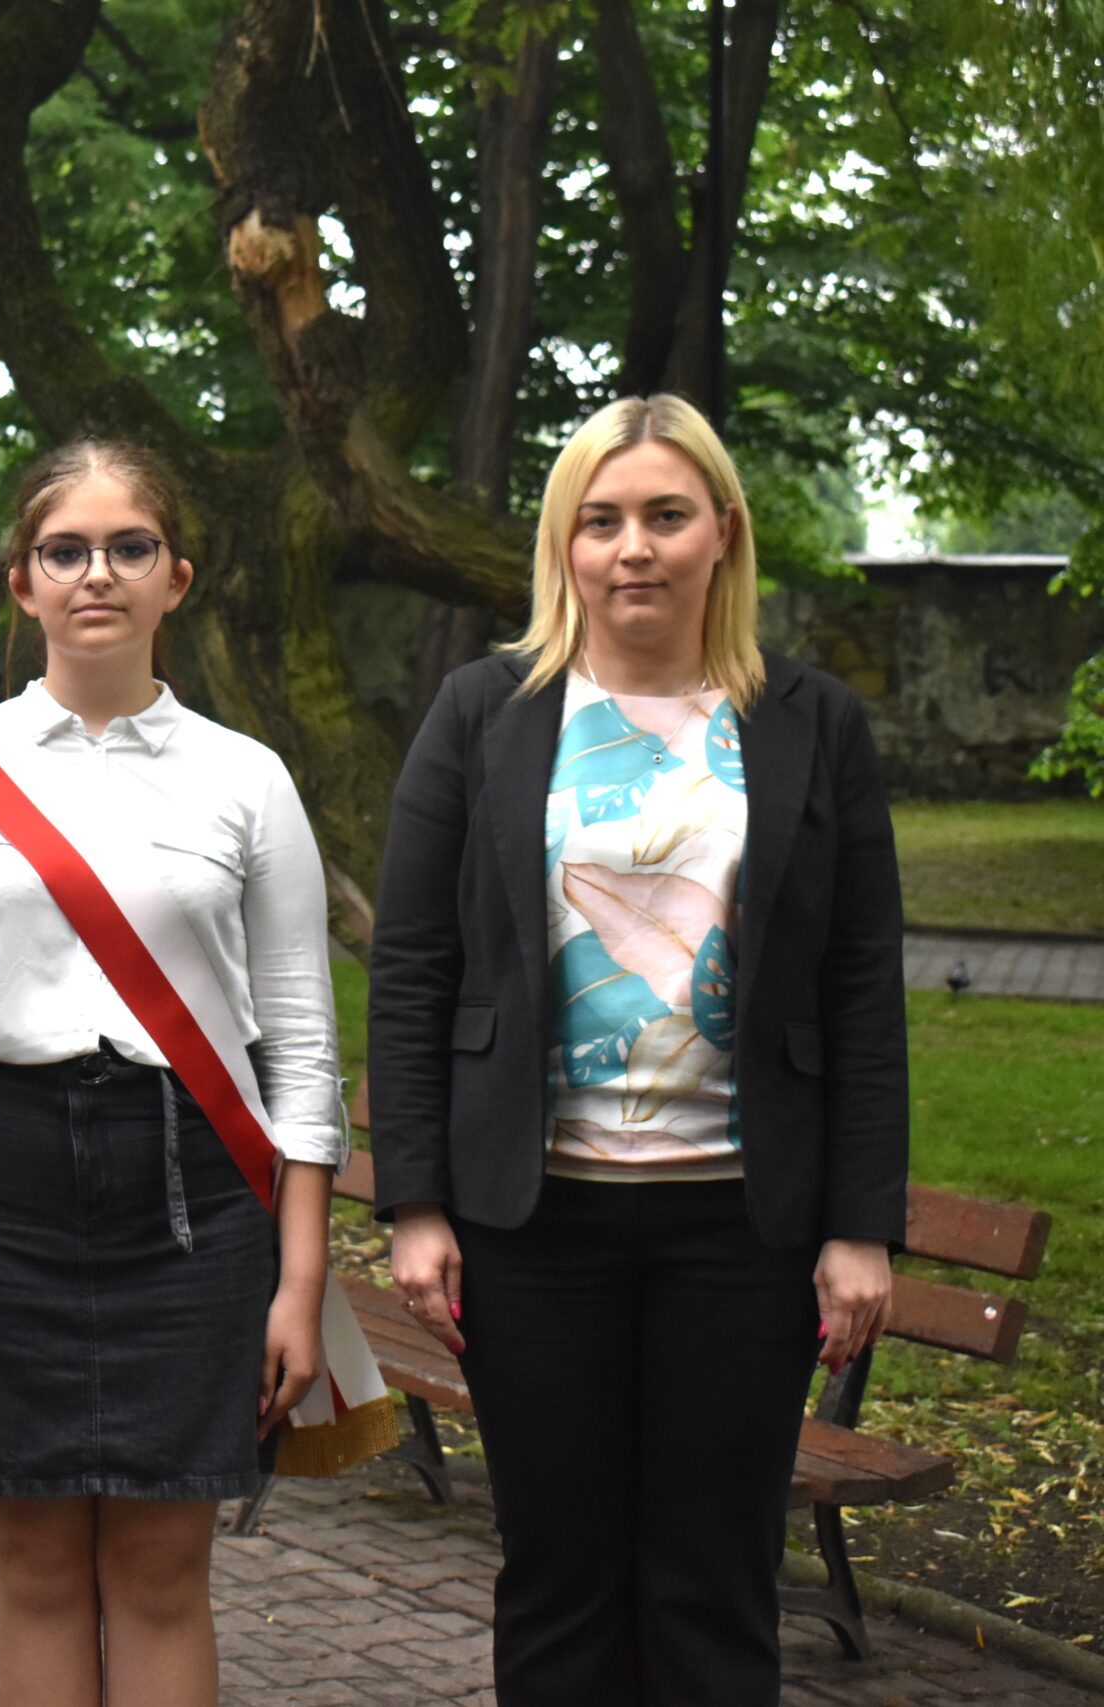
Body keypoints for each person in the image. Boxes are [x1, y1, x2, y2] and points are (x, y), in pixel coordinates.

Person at [367, 394, 906, 1705]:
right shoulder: (486, 710)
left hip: (743, 1228)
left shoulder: (812, 722)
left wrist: (859, 1226)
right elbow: (416, 965)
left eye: (666, 515)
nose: (633, 548)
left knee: (713, 1582)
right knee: (558, 1575)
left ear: (723, 531)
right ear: (565, 543)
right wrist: (416, 1202)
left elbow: (859, 986)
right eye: (599, 520)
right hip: (533, 1224)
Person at [0, 440, 344, 1707]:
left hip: (193, 1198)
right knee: (32, 1569)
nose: (96, 574)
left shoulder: (247, 779)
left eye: (129, 548)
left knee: (163, 1568)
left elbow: (300, 1050)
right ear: (21, 583)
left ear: (176, 577)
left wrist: (298, 1283)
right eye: (64, 550)